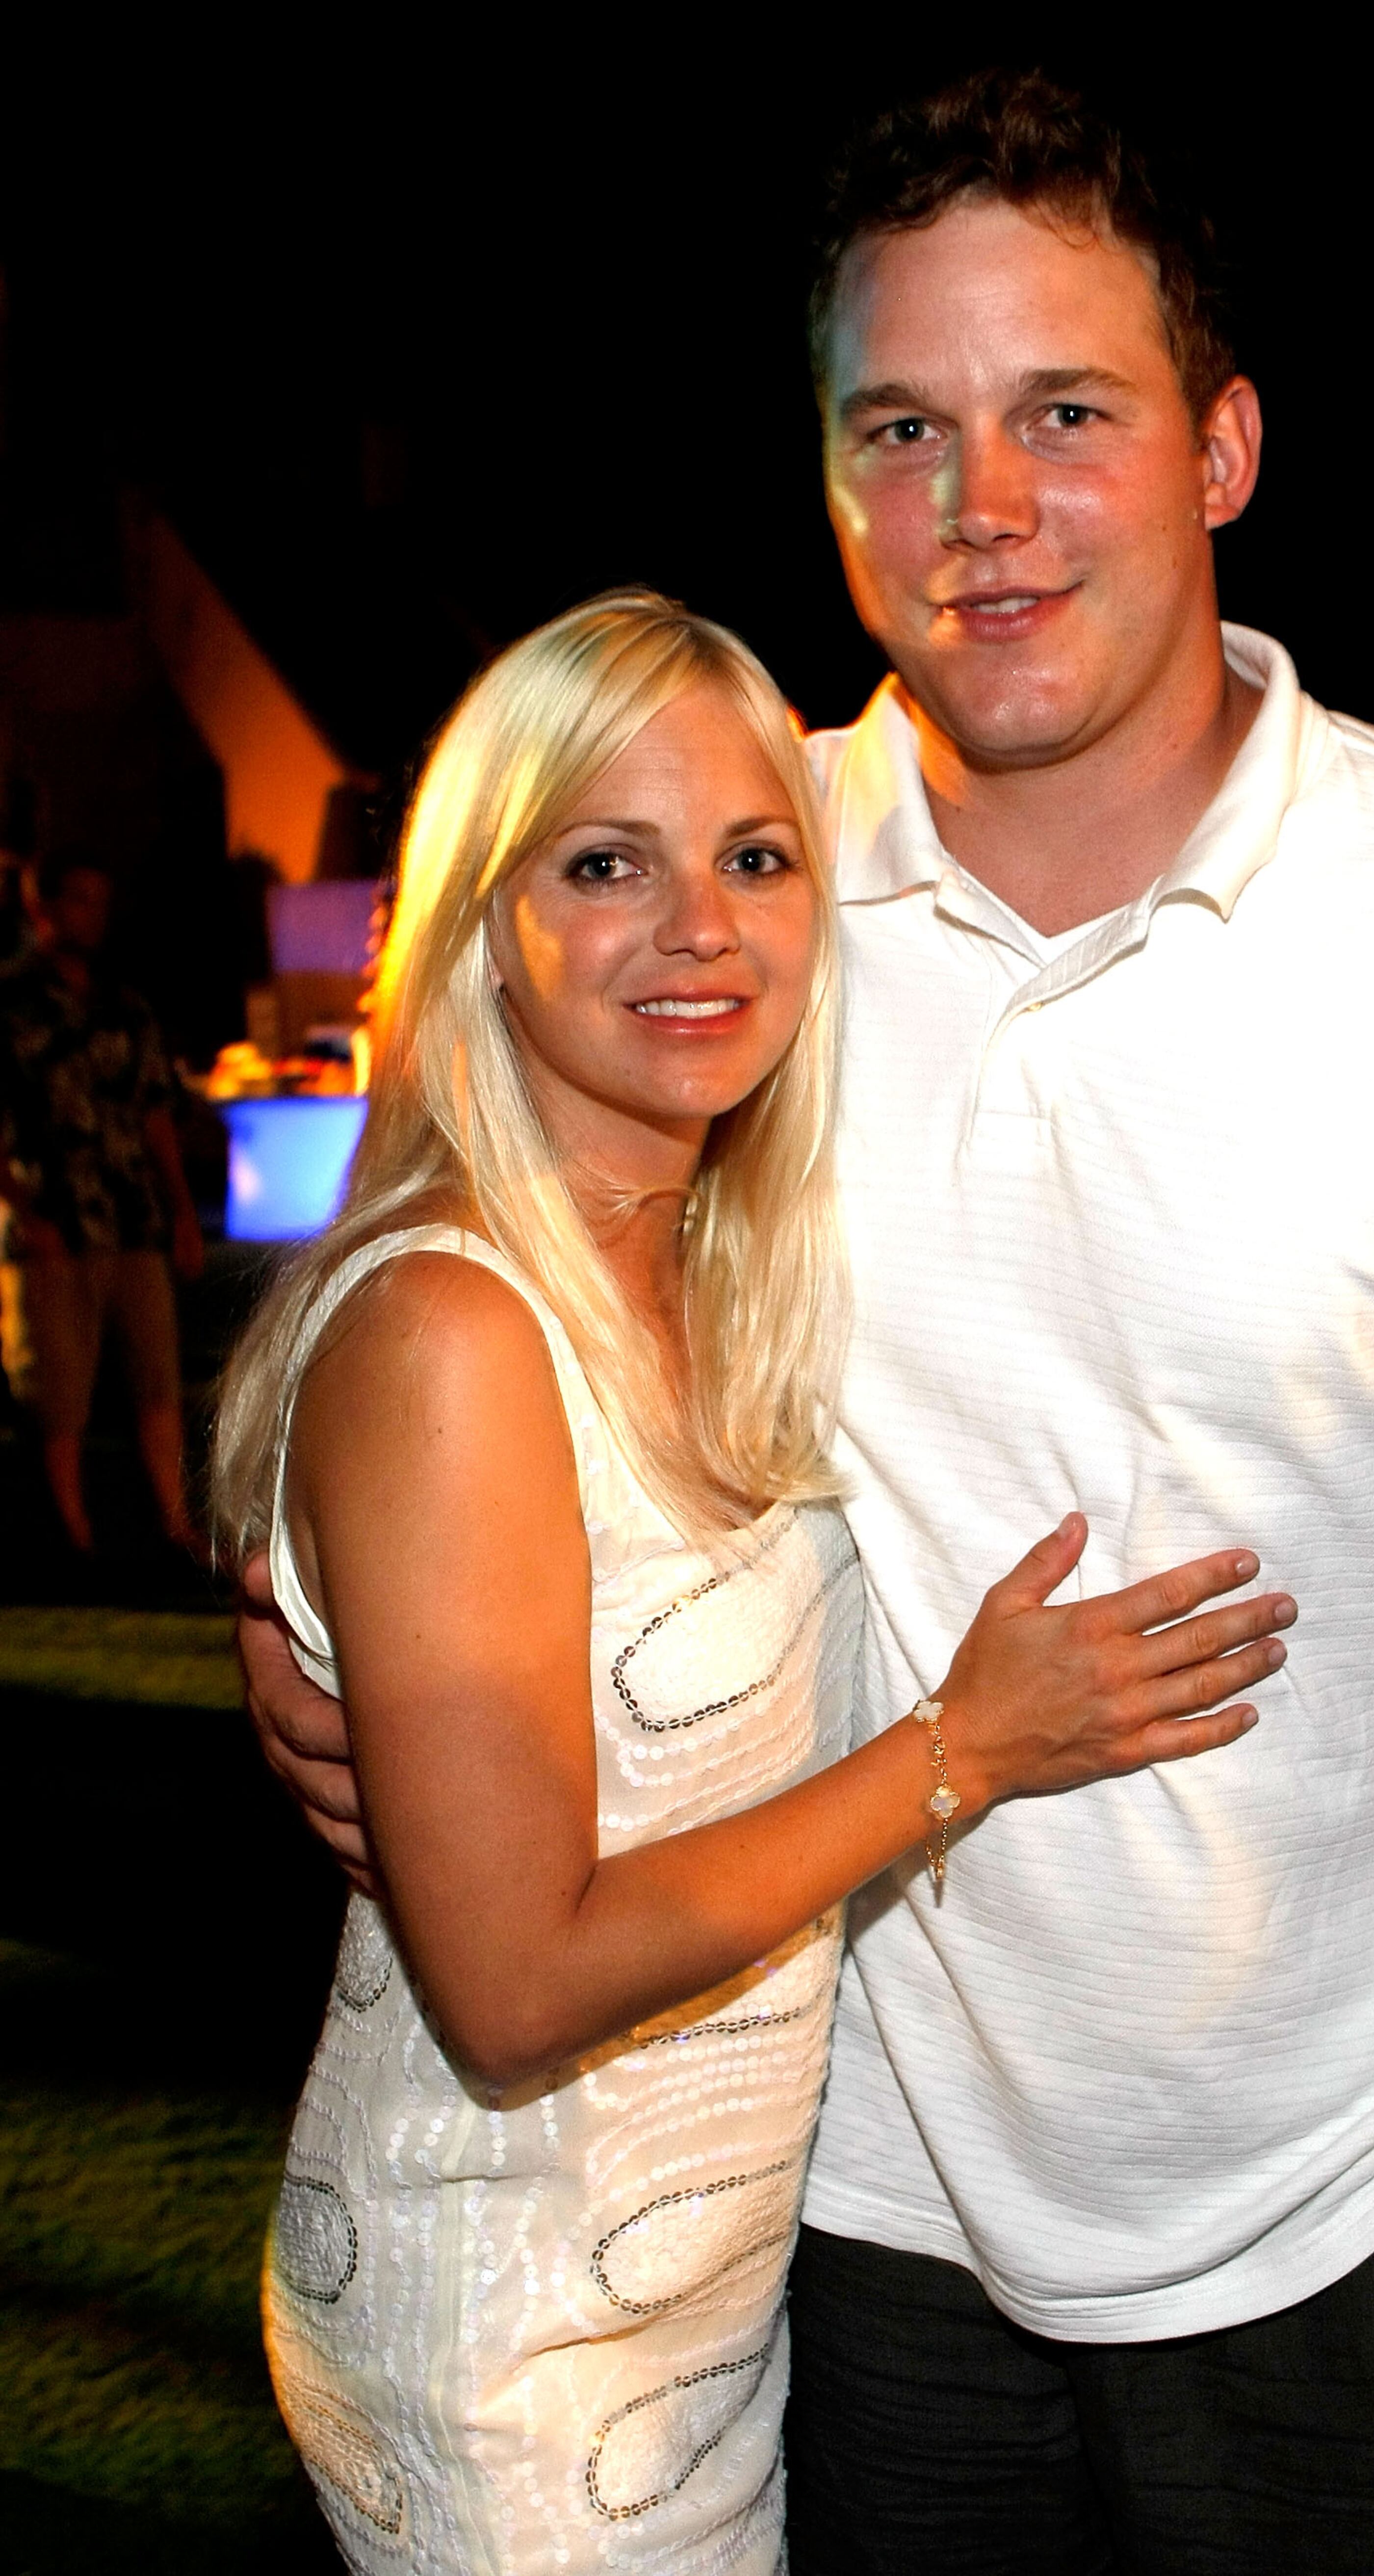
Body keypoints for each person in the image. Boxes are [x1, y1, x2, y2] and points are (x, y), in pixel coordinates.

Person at [242, 74, 1374, 2573]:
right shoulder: (732, 900)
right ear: (834, 488)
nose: (983, 504)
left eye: (1066, 412)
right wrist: (319, 1629)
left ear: (1222, 450)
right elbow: (461, 1261)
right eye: (905, 427)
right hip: (849, 2221)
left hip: (1361, 2213)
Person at [213, 589, 1292, 2574]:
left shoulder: (717, 1253)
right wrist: (963, 1748)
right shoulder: (458, 1325)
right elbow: (517, 1979)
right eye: (606, 861)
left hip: (701, 2311)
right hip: (512, 2341)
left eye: (756, 853)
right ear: (481, 917)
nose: (700, 923)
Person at [0, 844, 204, 1556]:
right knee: (62, 1391)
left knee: (156, 1377)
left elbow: (154, 1112)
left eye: (100, 901)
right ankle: (72, 1528)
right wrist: (24, 1211)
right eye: (79, 899)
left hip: (131, 1215)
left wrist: (181, 1212)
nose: (93, 916)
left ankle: (175, 1521)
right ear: (44, 906)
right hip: (58, 1218)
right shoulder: (14, 1005)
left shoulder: (125, 1005)